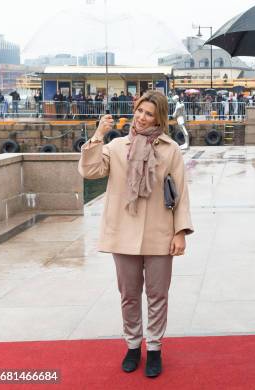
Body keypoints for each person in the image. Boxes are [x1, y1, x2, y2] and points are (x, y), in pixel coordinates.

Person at [78, 90, 193, 378]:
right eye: (140, 111)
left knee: (157, 294)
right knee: (129, 294)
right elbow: (90, 170)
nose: (142, 118)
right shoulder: (117, 146)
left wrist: (180, 232)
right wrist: (98, 136)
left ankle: (154, 347)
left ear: (160, 118)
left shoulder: (170, 150)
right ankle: (132, 344)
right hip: (123, 231)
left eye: (149, 114)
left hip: (160, 232)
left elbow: (180, 194)